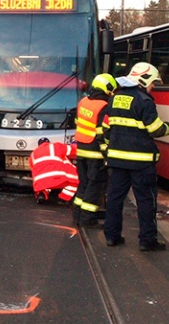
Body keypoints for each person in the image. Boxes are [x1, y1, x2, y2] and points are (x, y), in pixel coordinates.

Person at [103, 62, 169, 251]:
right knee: (145, 201)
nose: (154, 87)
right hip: (141, 163)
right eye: (153, 83)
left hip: (117, 160)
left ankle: (112, 236)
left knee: (115, 199)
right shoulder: (144, 100)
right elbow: (155, 129)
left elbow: (107, 129)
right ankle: (147, 241)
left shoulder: (115, 99)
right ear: (144, 80)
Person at [72, 73, 117, 227]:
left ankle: (77, 215)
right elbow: (101, 133)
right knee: (95, 185)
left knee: (83, 184)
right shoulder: (103, 106)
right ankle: (88, 219)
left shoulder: (83, 102)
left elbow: (77, 122)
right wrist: (107, 154)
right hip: (95, 153)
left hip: (81, 149)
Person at [29, 137, 78, 204]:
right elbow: (73, 150)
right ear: (48, 142)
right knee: (74, 182)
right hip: (58, 178)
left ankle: (42, 194)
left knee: (44, 184)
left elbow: (33, 168)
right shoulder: (55, 146)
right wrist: (75, 143)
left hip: (40, 182)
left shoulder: (33, 154)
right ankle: (63, 198)